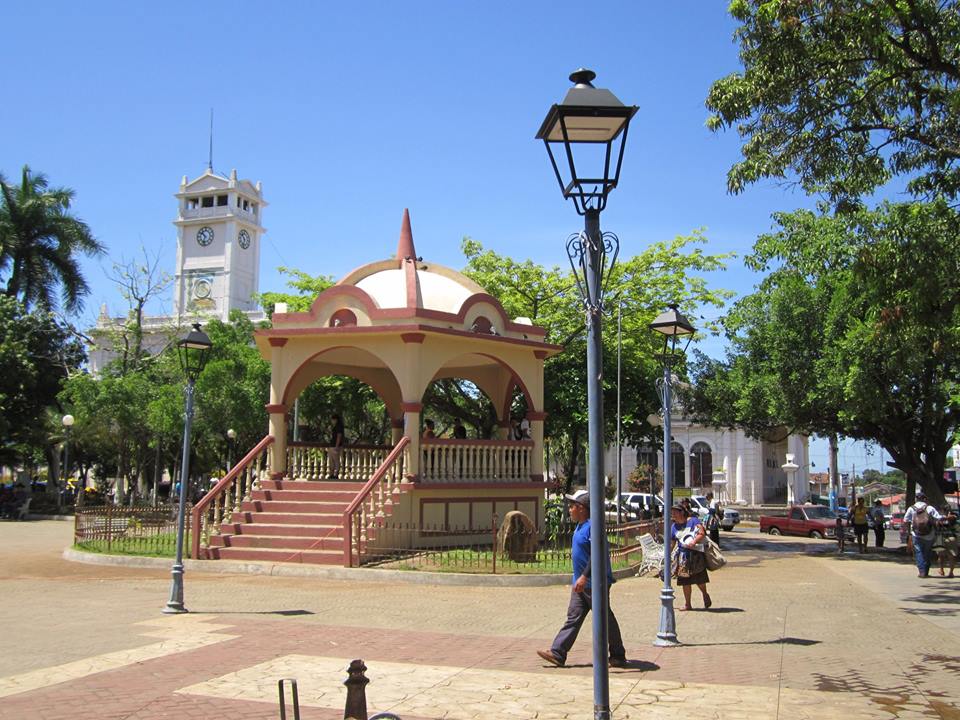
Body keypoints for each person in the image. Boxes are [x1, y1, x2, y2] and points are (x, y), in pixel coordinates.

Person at [537, 489, 627, 669]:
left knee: (604, 618)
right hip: (580, 584)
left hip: (595, 583)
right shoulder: (580, 526)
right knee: (573, 617)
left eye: (572, 507)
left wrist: (584, 577)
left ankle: (618, 654)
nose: (569, 510)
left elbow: (597, 554)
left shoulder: (594, 526)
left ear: (582, 508)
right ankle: (558, 653)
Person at [670, 504, 712, 611]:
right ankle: (688, 604)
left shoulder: (693, 521)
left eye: (675, 512)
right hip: (683, 556)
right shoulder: (673, 527)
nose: (673, 515)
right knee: (685, 581)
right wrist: (667, 555)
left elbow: (702, 533)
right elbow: (672, 543)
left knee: (699, 578)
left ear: (682, 512)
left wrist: (694, 541)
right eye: (672, 512)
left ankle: (705, 594)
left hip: (695, 554)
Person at [904, 493, 944, 578]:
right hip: (929, 534)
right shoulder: (930, 508)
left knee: (919, 552)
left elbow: (905, 520)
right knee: (927, 552)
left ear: (916, 499)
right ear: (925, 499)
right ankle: (926, 570)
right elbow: (939, 518)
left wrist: (908, 532)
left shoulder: (911, 508)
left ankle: (921, 571)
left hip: (916, 534)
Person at [935, 507, 957, 578]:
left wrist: (941, 519)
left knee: (941, 555)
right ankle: (950, 572)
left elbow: (936, 526)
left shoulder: (940, 518)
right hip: (950, 538)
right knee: (951, 556)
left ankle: (942, 570)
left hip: (941, 538)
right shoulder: (953, 517)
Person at [329, 413, 345, 479]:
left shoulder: (339, 427)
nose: (332, 421)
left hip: (335, 446)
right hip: (332, 445)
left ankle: (336, 474)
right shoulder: (336, 426)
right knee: (331, 460)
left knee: (336, 460)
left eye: (332, 420)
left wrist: (336, 446)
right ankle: (332, 473)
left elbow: (339, 436)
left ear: (335, 420)